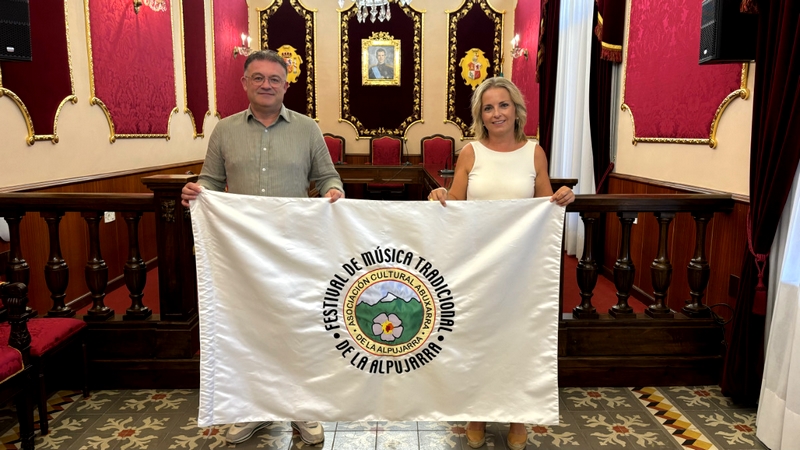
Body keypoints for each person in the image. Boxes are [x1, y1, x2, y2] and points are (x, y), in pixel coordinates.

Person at [181, 49, 344, 446]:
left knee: (299, 327)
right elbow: (212, 182)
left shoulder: (307, 129)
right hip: (244, 254)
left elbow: (327, 177)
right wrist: (197, 193)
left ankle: (304, 408)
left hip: (296, 249)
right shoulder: (225, 131)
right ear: (245, 83)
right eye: (258, 78)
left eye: (274, 79)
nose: (267, 84)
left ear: (286, 85)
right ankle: (252, 409)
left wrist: (334, 191)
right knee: (248, 329)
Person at [427, 77, 575, 450]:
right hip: (477, 265)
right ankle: (476, 410)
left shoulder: (534, 152)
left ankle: (518, 415)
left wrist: (561, 195)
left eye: (503, 105)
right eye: (488, 107)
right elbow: (456, 201)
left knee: (518, 340)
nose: (497, 113)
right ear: (481, 115)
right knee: (478, 339)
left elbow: (544, 207)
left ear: (516, 110)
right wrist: (441, 194)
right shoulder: (471, 152)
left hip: (521, 269)